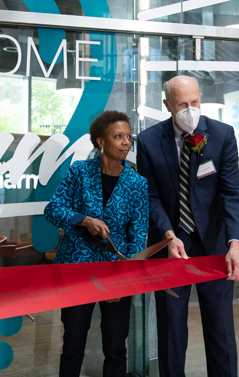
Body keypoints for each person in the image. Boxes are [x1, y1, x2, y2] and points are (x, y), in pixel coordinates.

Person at [136, 75, 239, 377]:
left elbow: (232, 194)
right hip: (170, 246)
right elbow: (150, 195)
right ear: (167, 105)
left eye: (195, 102)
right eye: (182, 104)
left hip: (215, 246)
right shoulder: (148, 141)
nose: (190, 109)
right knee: (171, 329)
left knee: (221, 327)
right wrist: (168, 235)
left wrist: (235, 245)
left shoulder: (222, 135)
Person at [44, 110, 149, 377]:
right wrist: (83, 219)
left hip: (116, 272)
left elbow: (137, 237)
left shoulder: (137, 183)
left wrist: (125, 282)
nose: (126, 142)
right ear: (101, 141)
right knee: (73, 344)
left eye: (128, 137)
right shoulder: (80, 171)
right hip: (77, 270)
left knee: (116, 347)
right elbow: (52, 209)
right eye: (118, 136)